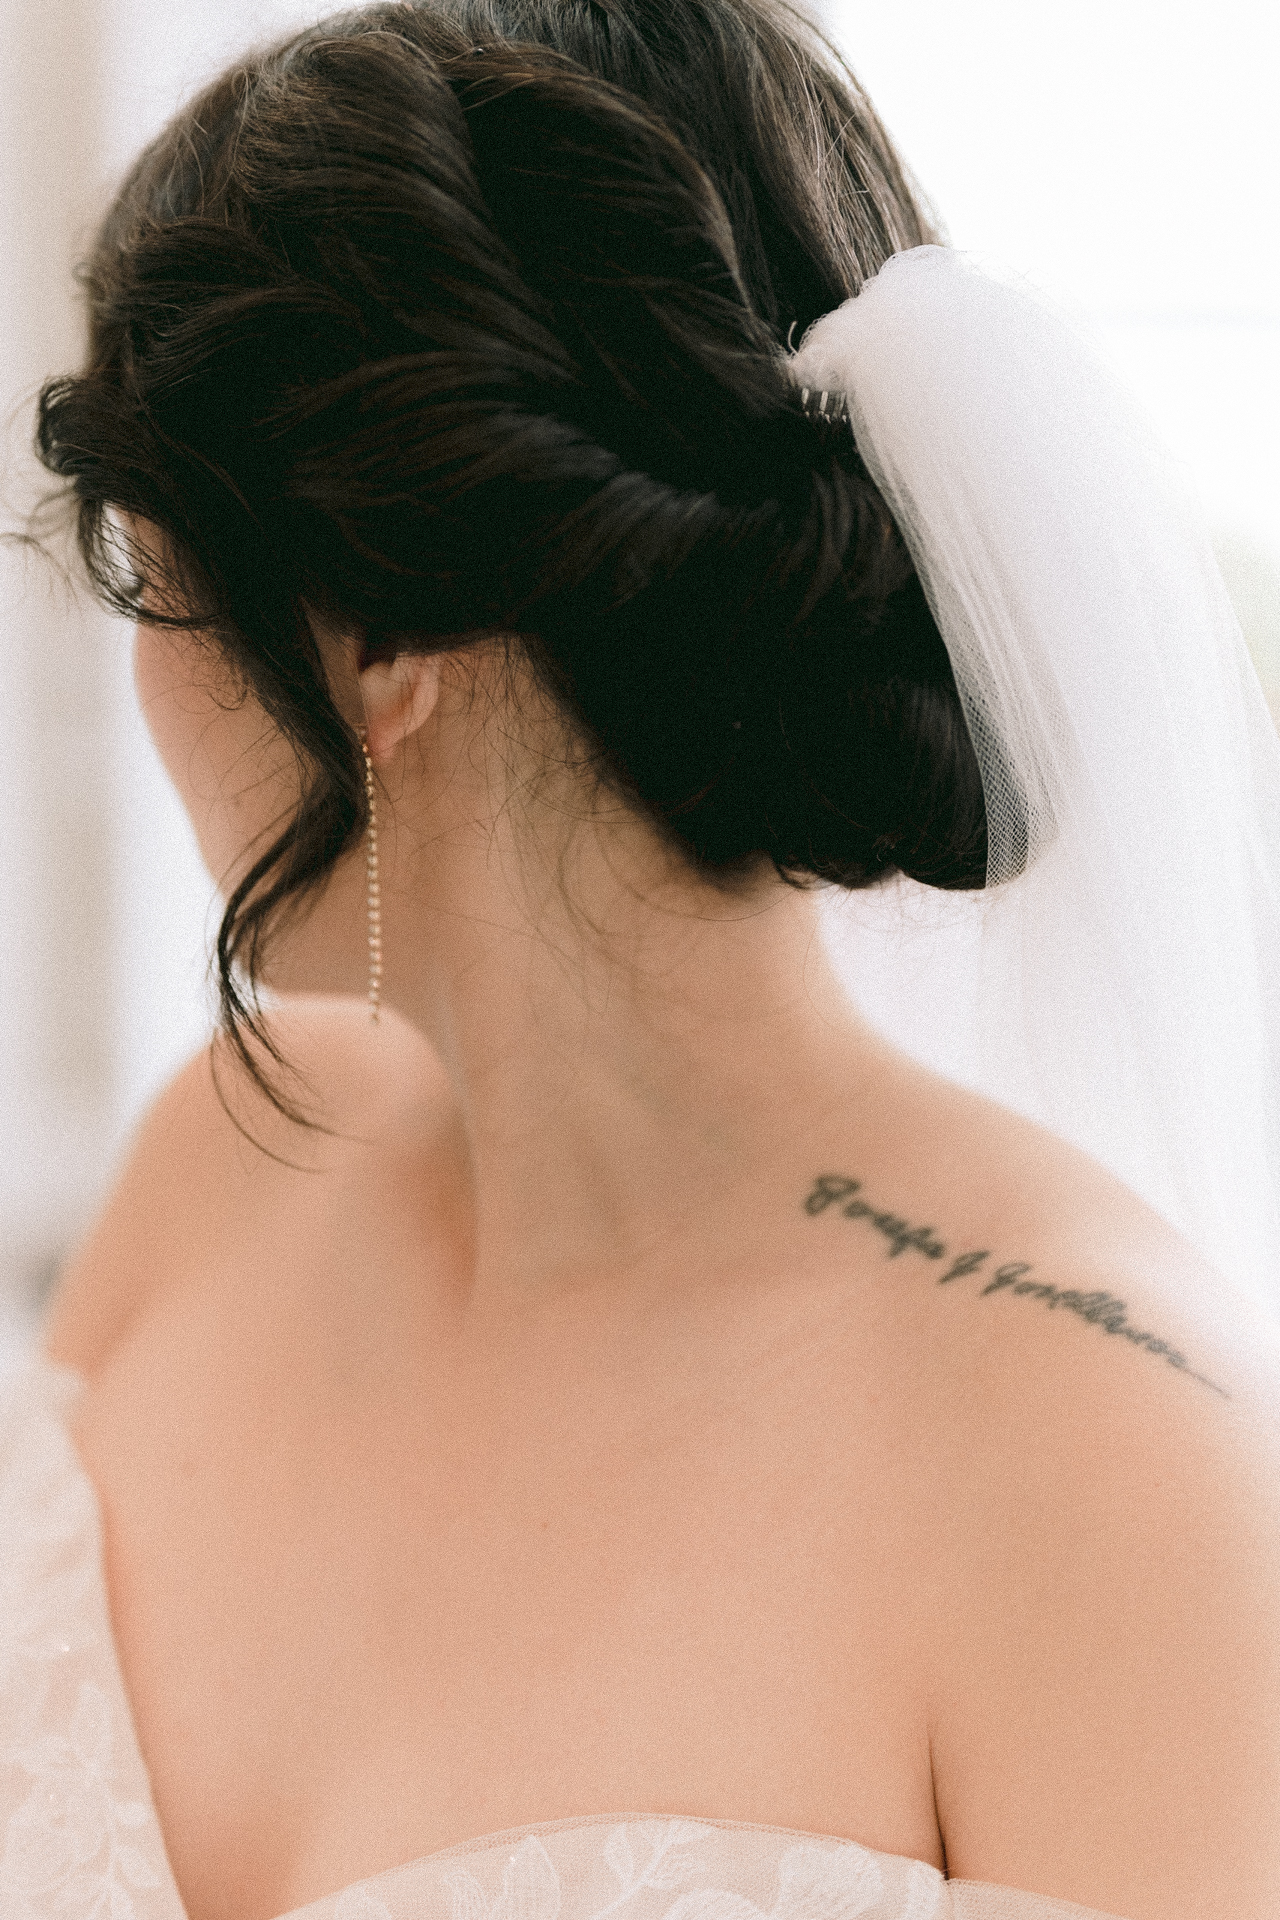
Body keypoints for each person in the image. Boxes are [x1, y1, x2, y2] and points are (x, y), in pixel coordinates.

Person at [4, 4, 1280, 1918]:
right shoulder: (227, 1166)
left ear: (374, 639)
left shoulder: (1118, 1477)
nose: (148, 670)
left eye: (154, 573)